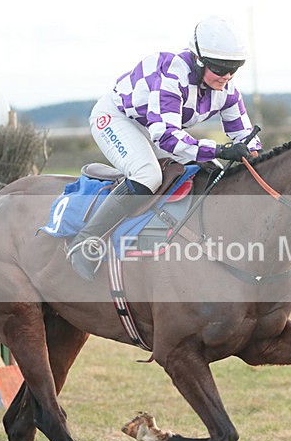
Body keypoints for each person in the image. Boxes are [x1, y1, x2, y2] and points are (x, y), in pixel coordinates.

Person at [67, 16, 262, 280]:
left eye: (234, 69)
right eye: (220, 69)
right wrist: (218, 149)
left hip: (155, 125)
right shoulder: (173, 75)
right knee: (147, 175)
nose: (227, 77)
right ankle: (84, 241)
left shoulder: (227, 90)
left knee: (209, 169)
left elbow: (246, 138)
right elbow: (167, 138)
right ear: (199, 61)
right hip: (117, 118)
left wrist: (253, 155)